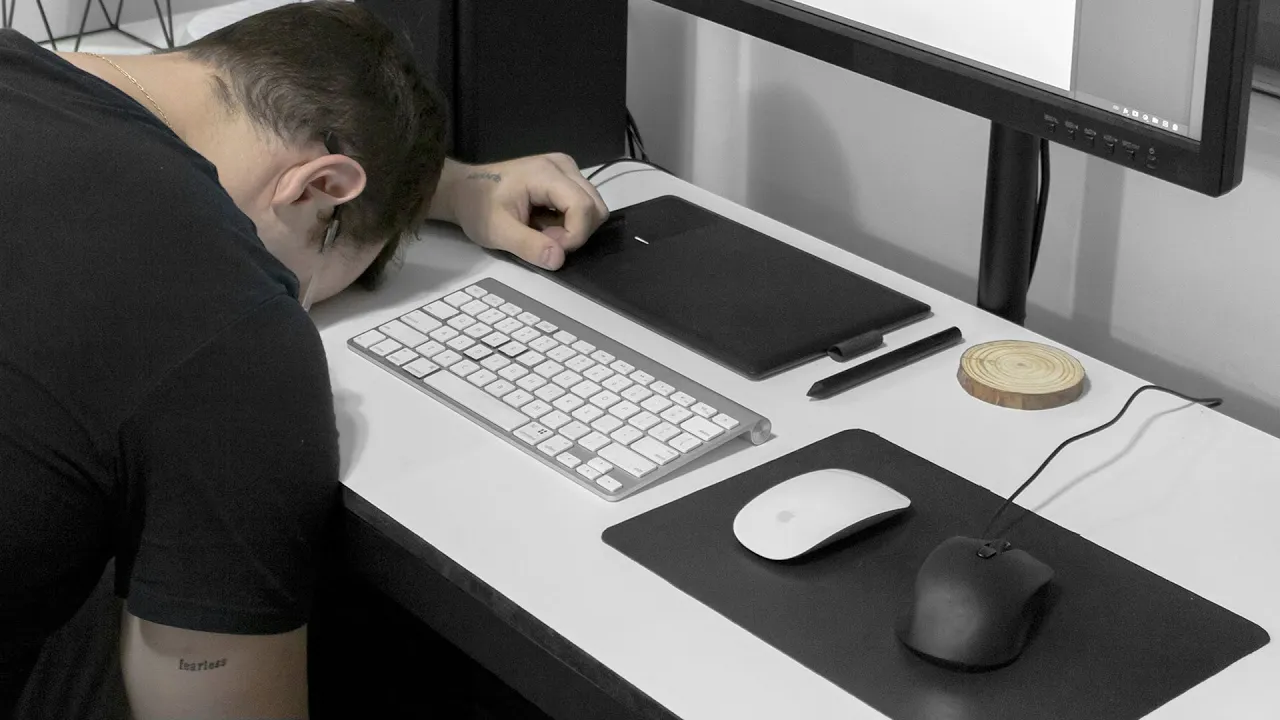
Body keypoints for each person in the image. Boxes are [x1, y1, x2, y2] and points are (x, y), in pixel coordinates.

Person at [0, 1, 608, 717]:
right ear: (323, 189)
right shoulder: (229, 316)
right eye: (310, 285)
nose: (298, 303)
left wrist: (453, 184)